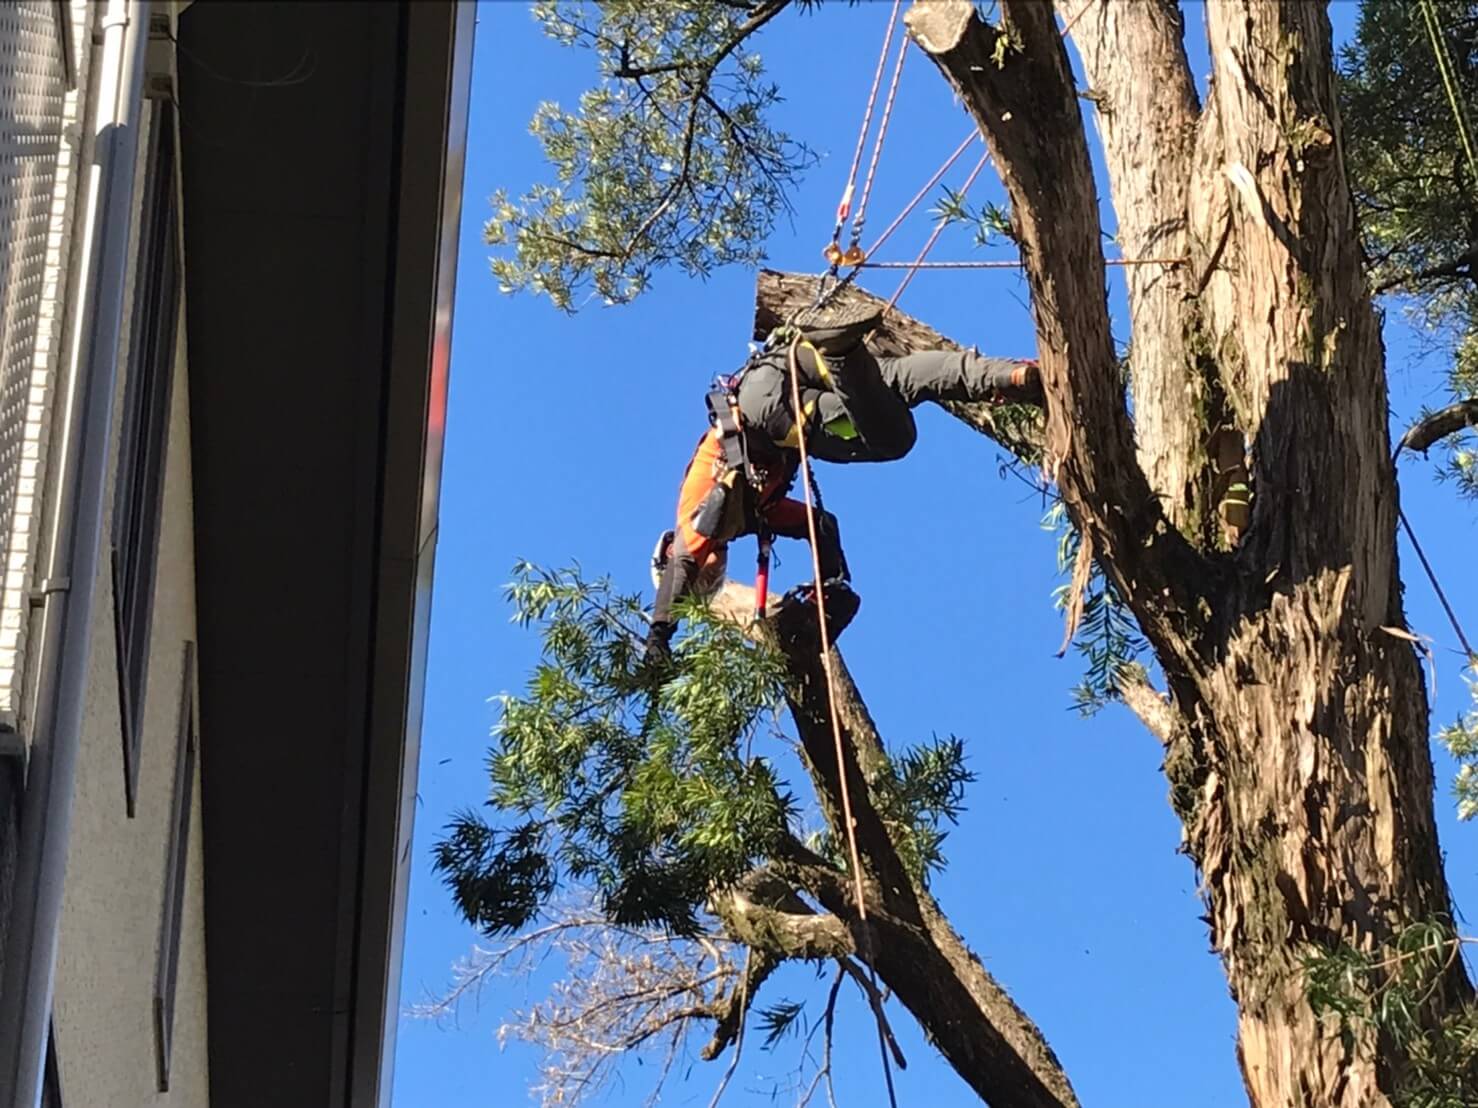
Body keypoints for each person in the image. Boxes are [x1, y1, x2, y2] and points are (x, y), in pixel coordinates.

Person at [642, 308, 1043, 668]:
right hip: (788, 367)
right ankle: (1012, 375)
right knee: (896, 384)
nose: (706, 577)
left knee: (889, 440)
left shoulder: (695, 520)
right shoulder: (755, 514)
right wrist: (832, 583)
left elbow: (684, 558)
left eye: (696, 587)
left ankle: (840, 353)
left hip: (770, 407)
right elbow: (819, 524)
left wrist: (659, 635)